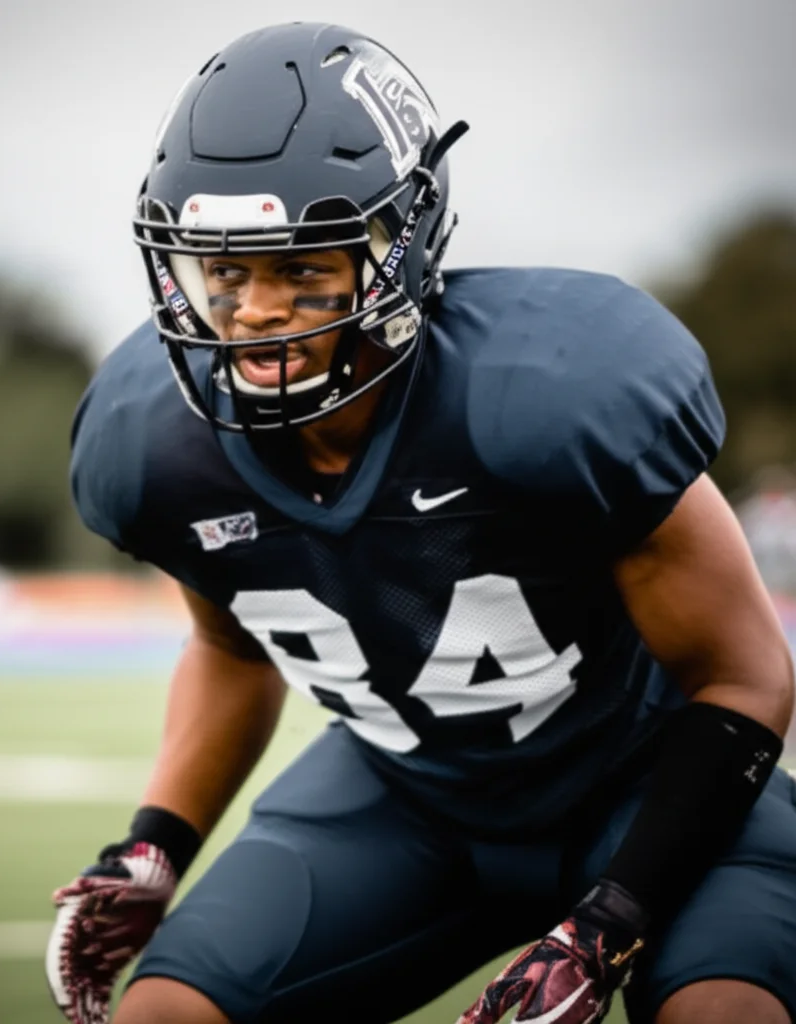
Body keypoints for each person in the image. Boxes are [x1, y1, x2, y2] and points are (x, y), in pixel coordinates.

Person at [46, 21, 796, 1024]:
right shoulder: (155, 443)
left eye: (305, 266)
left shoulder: (554, 396)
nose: (258, 309)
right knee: (168, 1014)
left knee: (724, 1012)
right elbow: (231, 648)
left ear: (400, 243)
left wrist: (608, 920)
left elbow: (743, 676)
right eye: (226, 273)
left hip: (645, 787)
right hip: (404, 802)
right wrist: (154, 844)